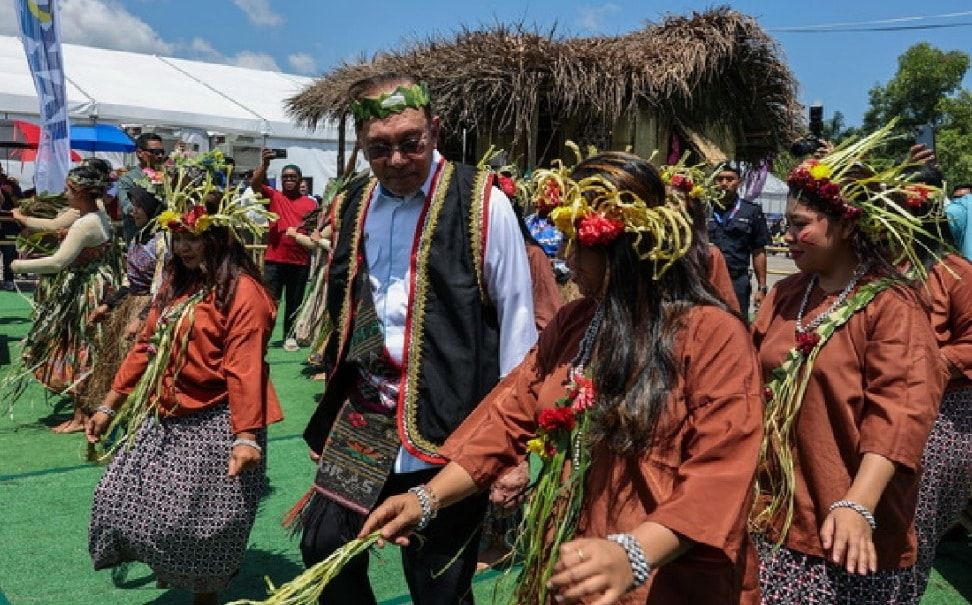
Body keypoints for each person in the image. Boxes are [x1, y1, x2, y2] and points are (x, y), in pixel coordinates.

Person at [360, 151, 763, 605]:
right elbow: (508, 416)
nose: (567, 259)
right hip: (573, 567)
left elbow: (722, 470)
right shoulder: (575, 321)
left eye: (579, 244)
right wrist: (427, 498)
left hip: (667, 579)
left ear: (625, 245)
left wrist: (632, 552)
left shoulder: (713, 335)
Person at [296, 74, 537, 605]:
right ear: (362, 146)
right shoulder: (352, 204)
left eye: (411, 141)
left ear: (435, 129)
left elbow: (519, 326)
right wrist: (333, 410)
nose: (398, 159)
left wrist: (511, 449)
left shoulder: (482, 201)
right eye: (379, 148)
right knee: (325, 547)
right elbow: (347, 313)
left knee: (439, 582)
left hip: (453, 422)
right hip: (366, 416)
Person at [750, 126, 946, 604]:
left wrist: (858, 502)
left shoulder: (891, 305)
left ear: (847, 224)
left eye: (802, 225)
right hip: (775, 515)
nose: (788, 236)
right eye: (787, 224)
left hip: (849, 531)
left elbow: (900, 413)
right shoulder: (786, 294)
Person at [86, 156, 281, 605]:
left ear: (218, 236)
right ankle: (171, 565)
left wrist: (246, 435)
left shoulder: (244, 292)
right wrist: (107, 404)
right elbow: (145, 345)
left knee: (203, 525)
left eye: (195, 237)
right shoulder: (177, 282)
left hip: (221, 421)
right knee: (119, 498)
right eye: (178, 236)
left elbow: (243, 364)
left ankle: (204, 595)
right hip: (167, 413)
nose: (185, 247)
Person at [7, 165, 122, 432]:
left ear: (80, 192)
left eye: (68, 190)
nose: (64, 194)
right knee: (86, 348)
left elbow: (59, 262)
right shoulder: (97, 215)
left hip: (86, 291)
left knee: (81, 349)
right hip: (96, 285)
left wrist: (18, 266)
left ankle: (81, 417)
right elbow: (57, 227)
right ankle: (84, 411)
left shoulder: (85, 223)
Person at [85, 186, 167, 410]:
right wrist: (107, 305)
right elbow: (128, 280)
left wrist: (142, 319)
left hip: (151, 312)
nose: (133, 211)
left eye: (139, 206)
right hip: (130, 305)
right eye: (133, 206)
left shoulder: (164, 242)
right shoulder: (138, 237)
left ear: (152, 208)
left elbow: (162, 289)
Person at [250, 151, 318, 351]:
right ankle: (264, 336)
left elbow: (315, 228)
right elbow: (254, 184)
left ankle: (290, 336)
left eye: (292, 177)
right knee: (270, 301)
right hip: (275, 259)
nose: (289, 180)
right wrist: (264, 164)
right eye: (285, 177)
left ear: (300, 180)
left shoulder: (311, 203)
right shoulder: (274, 196)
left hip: (300, 261)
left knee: (294, 303)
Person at [707, 163, 770, 320]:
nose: (724, 183)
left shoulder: (751, 211)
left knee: (737, 324)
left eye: (730, 179)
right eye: (719, 179)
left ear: (739, 182)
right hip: (707, 281)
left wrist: (762, 287)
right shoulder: (702, 209)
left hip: (737, 281)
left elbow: (758, 251)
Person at [116, 133, 167, 243]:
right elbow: (127, 206)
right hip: (139, 239)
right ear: (140, 153)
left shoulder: (168, 176)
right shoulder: (128, 179)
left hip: (165, 238)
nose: (159, 156)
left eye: (162, 152)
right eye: (155, 152)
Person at [0, 165, 23, 290]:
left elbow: (22, 206)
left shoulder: (10, 184)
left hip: (8, 225)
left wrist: (11, 194)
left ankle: (9, 279)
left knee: (9, 252)